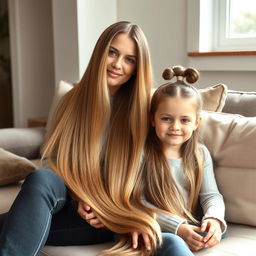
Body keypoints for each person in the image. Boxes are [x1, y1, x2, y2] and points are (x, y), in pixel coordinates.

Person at [0, 21, 161, 256]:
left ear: (138, 67)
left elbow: (154, 175)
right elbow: (52, 160)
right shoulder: (71, 100)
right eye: (113, 52)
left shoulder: (147, 110)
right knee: (41, 177)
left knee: (9, 225)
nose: (117, 64)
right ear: (100, 52)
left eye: (130, 59)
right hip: (72, 201)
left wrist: (105, 205)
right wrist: (79, 195)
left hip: (111, 216)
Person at [139, 66, 227, 254]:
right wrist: (178, 227)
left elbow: (211, 196)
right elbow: (137, 202)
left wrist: (214, 219)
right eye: (166, 119)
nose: (175, 127)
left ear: (197, 123)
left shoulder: (200, 154)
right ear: (152, 119)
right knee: (171, 241)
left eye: (185, 120)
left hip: (189, 223)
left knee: (212, 232)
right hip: (152, 227)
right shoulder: (142, 154)